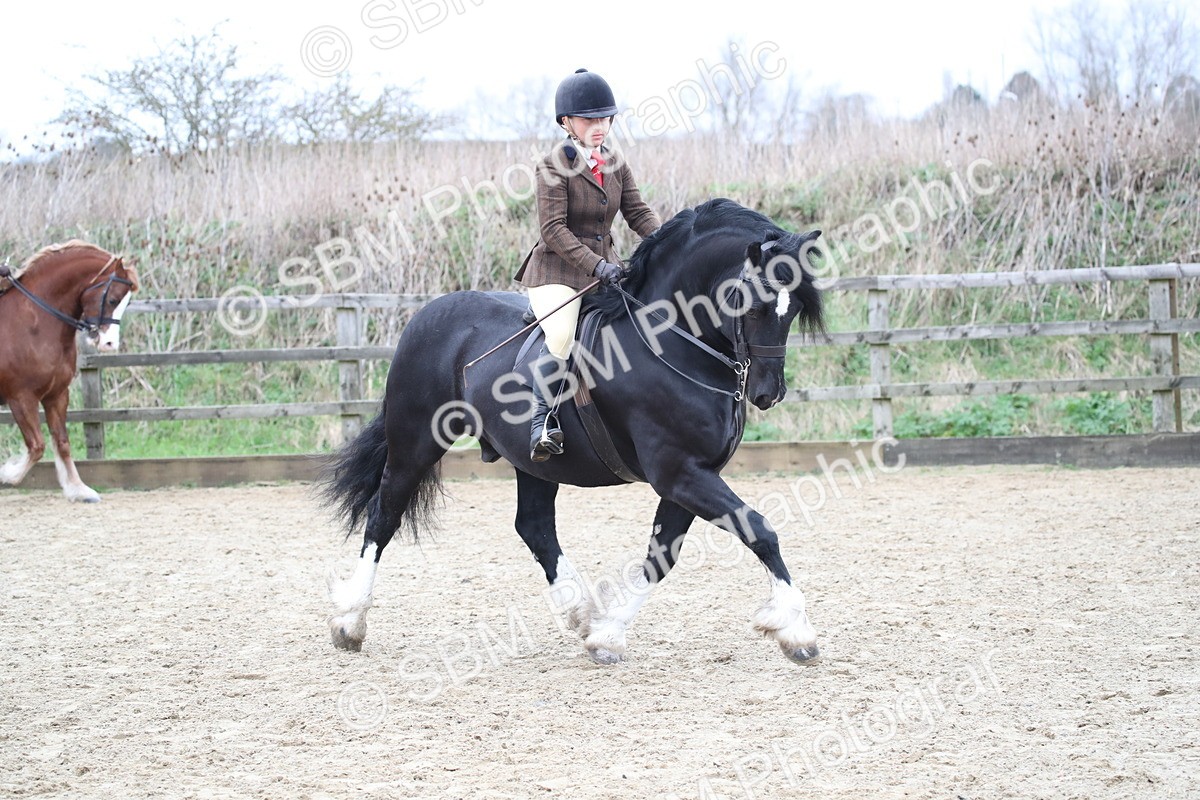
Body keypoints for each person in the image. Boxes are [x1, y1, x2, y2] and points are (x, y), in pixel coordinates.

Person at [514, 68, 661, 462]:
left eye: (605, 118)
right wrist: (597, 266)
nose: (600, 126)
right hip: (557, 272)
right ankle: (541, 422)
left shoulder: (615, 161)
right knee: (561, 336)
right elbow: (553, 230)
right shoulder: (552, 165)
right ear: (567, 122)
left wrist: (668, 242)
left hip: (607, 267)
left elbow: (638, 212)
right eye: (589, 119)